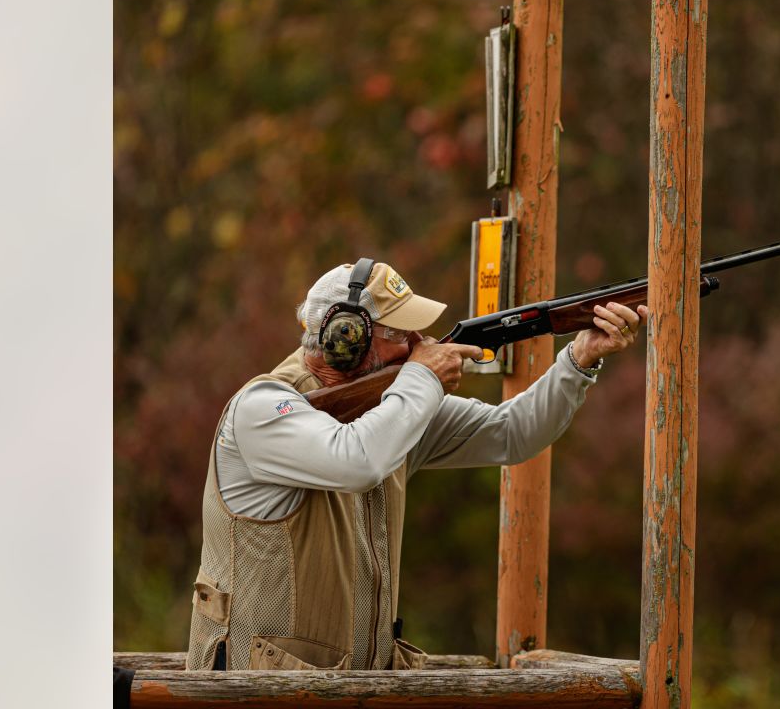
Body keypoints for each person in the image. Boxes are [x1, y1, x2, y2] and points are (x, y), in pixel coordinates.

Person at [184, 259, 646, 671]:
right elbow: (358, 460)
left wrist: (578, 360)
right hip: (252, 691)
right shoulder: (261, 409)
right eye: (403, 336)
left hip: (346, 689)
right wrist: (423, 378)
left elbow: (513, 432)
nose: (420, 345)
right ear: (346, 339)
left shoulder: (392, 410)